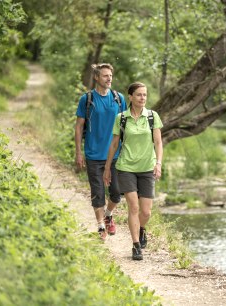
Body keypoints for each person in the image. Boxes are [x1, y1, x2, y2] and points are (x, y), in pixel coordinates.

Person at [103, 82, 163, 261]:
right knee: (134, 207)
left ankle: (141, 229)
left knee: (146, 212)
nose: (142, 98)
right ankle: (136, 245)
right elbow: (114, 143)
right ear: (130, 97)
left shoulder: (152, 116)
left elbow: (158, 143)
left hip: (147, 168)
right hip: (126, 167)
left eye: (145, 95)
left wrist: (158, 163)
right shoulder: (121, 118)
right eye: (138, 95)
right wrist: (107, 167)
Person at [75, 63, 127, 240]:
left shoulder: (118, 99)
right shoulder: (87, 99)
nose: (109, 78)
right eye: (105, 76)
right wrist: (78, 153)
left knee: (117, 192)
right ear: (97, 77)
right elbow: (79, 126)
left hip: (115, 156)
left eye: (110, 75)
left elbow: (126, 126)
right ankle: (100, 227)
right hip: (93, 155)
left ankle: (108, 214)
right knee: (98, 192)